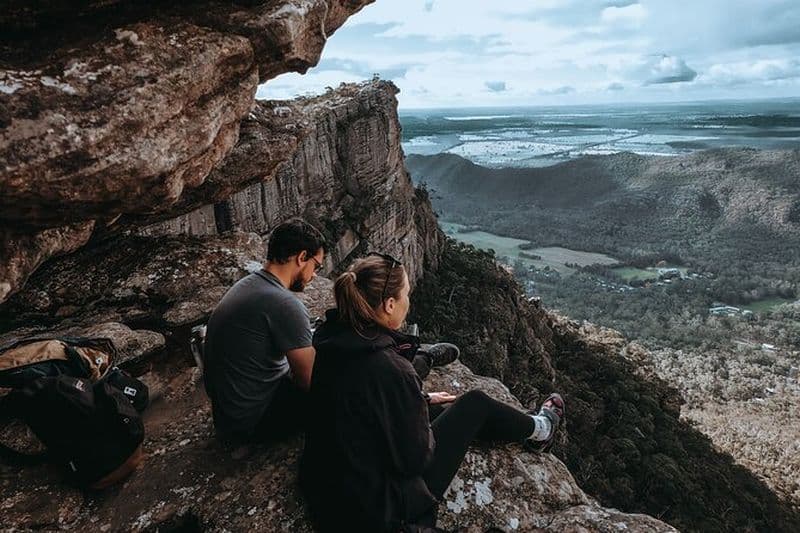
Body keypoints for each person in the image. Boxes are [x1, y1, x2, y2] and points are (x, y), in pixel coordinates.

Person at [299, 253, 565, 532]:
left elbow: (353, 399)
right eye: (406, 294)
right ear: (390, 305)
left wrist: (419, 401)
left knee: (454, 408)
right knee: (474, 404)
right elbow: (414, 459)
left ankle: (533, 426)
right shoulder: (392, 370)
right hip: (380, 507)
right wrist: (417, 409)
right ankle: (541, 430)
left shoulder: (329, 337)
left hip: (328, 489)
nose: (408, 301)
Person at [202, 218, 326, 443]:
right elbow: (309, 381)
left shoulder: (248, 284)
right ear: (301, 257)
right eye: (316, 265)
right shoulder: (284, 303)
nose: (315, 274)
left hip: (228, 415)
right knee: (343, 381)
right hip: (254, 421)